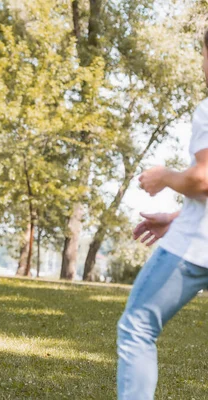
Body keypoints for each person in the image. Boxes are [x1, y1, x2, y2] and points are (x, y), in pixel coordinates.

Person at [117, 31, 208, 399]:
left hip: (194, 250)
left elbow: (203, 180)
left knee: (137, 326)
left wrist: (164, 177)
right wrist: (175, 216)